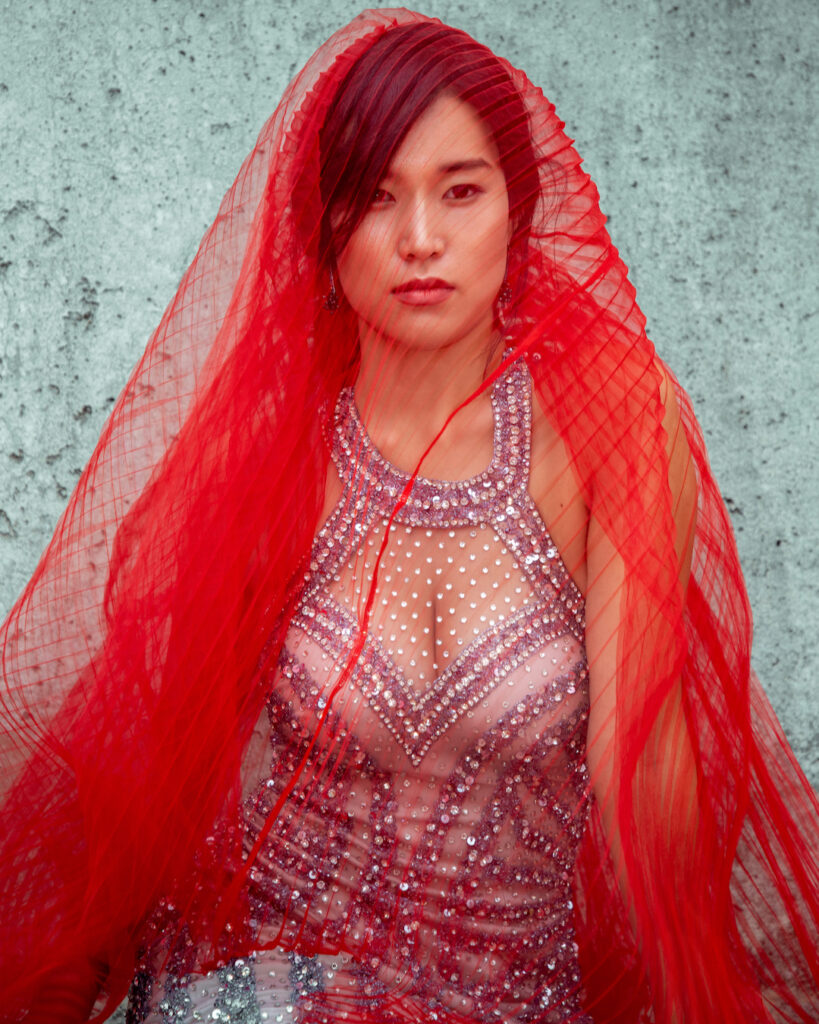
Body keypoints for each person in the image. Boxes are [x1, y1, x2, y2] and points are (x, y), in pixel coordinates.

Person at [0, 9, 817, 1023]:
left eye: (461, 192)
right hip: (265, 985)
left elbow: (643, 768)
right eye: (376, 198)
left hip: (512, 1001)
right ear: (324, 225)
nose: (421, 239)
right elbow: (140, 770)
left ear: (518, 213)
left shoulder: (617, 413)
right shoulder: (270, 446)